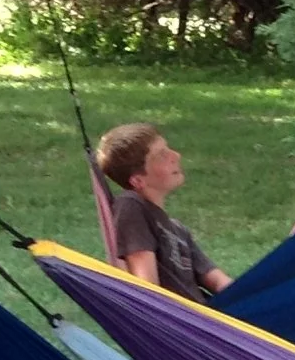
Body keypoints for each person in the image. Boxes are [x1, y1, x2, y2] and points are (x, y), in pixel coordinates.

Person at [95, 121, 231, 306]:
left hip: (217, 319)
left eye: (168, 149)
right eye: (161, 155)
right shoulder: (131, 206)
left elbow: (218, 281)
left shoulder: (178, 230)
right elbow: (147, 289)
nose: (176, 155)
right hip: (183, 325)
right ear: (138, 181)